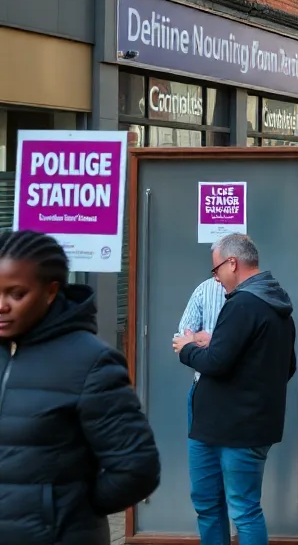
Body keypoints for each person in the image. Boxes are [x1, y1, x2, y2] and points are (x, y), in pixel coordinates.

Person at [0, 230, 160, 545]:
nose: (2, 305)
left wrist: (69, 512)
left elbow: (136, 467)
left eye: (16, 294)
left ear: (50, 292)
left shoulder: (91, 362)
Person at [175, 233, 295, 545]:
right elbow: (287, 366)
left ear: (232, 263)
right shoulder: (276, 302)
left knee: (241, 510)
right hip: (224, 425)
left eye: (216, 270)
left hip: (236, 429)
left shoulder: (243, 304)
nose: (216, 279)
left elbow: (216, 362)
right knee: (216, 504)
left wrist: (186, 347)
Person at [177, 273, 227, 430]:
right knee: (201, 449)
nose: (217, 276)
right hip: (204, 384)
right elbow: (182, 338)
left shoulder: (252, 295)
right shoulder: (204, 290)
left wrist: (211, 340)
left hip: (241, 390)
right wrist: (198, 337)